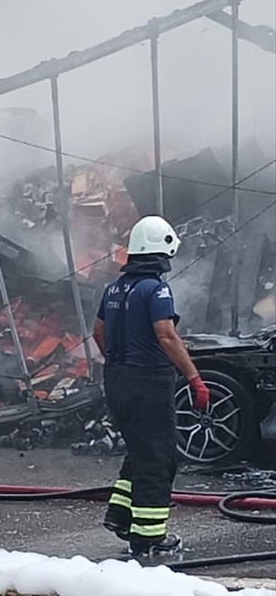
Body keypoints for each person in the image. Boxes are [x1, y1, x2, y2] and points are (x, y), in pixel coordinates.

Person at [93, 215, 210, 557]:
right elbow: (166, 335)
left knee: (141, 449)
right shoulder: (156, 289)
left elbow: (98, 333)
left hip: (116, 379)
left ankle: (119, 514)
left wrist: (118, 361)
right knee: (158, 458)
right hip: (148, 381)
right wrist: (194, 377)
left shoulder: (113, 288)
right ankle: (148, 537)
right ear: (162, 251)